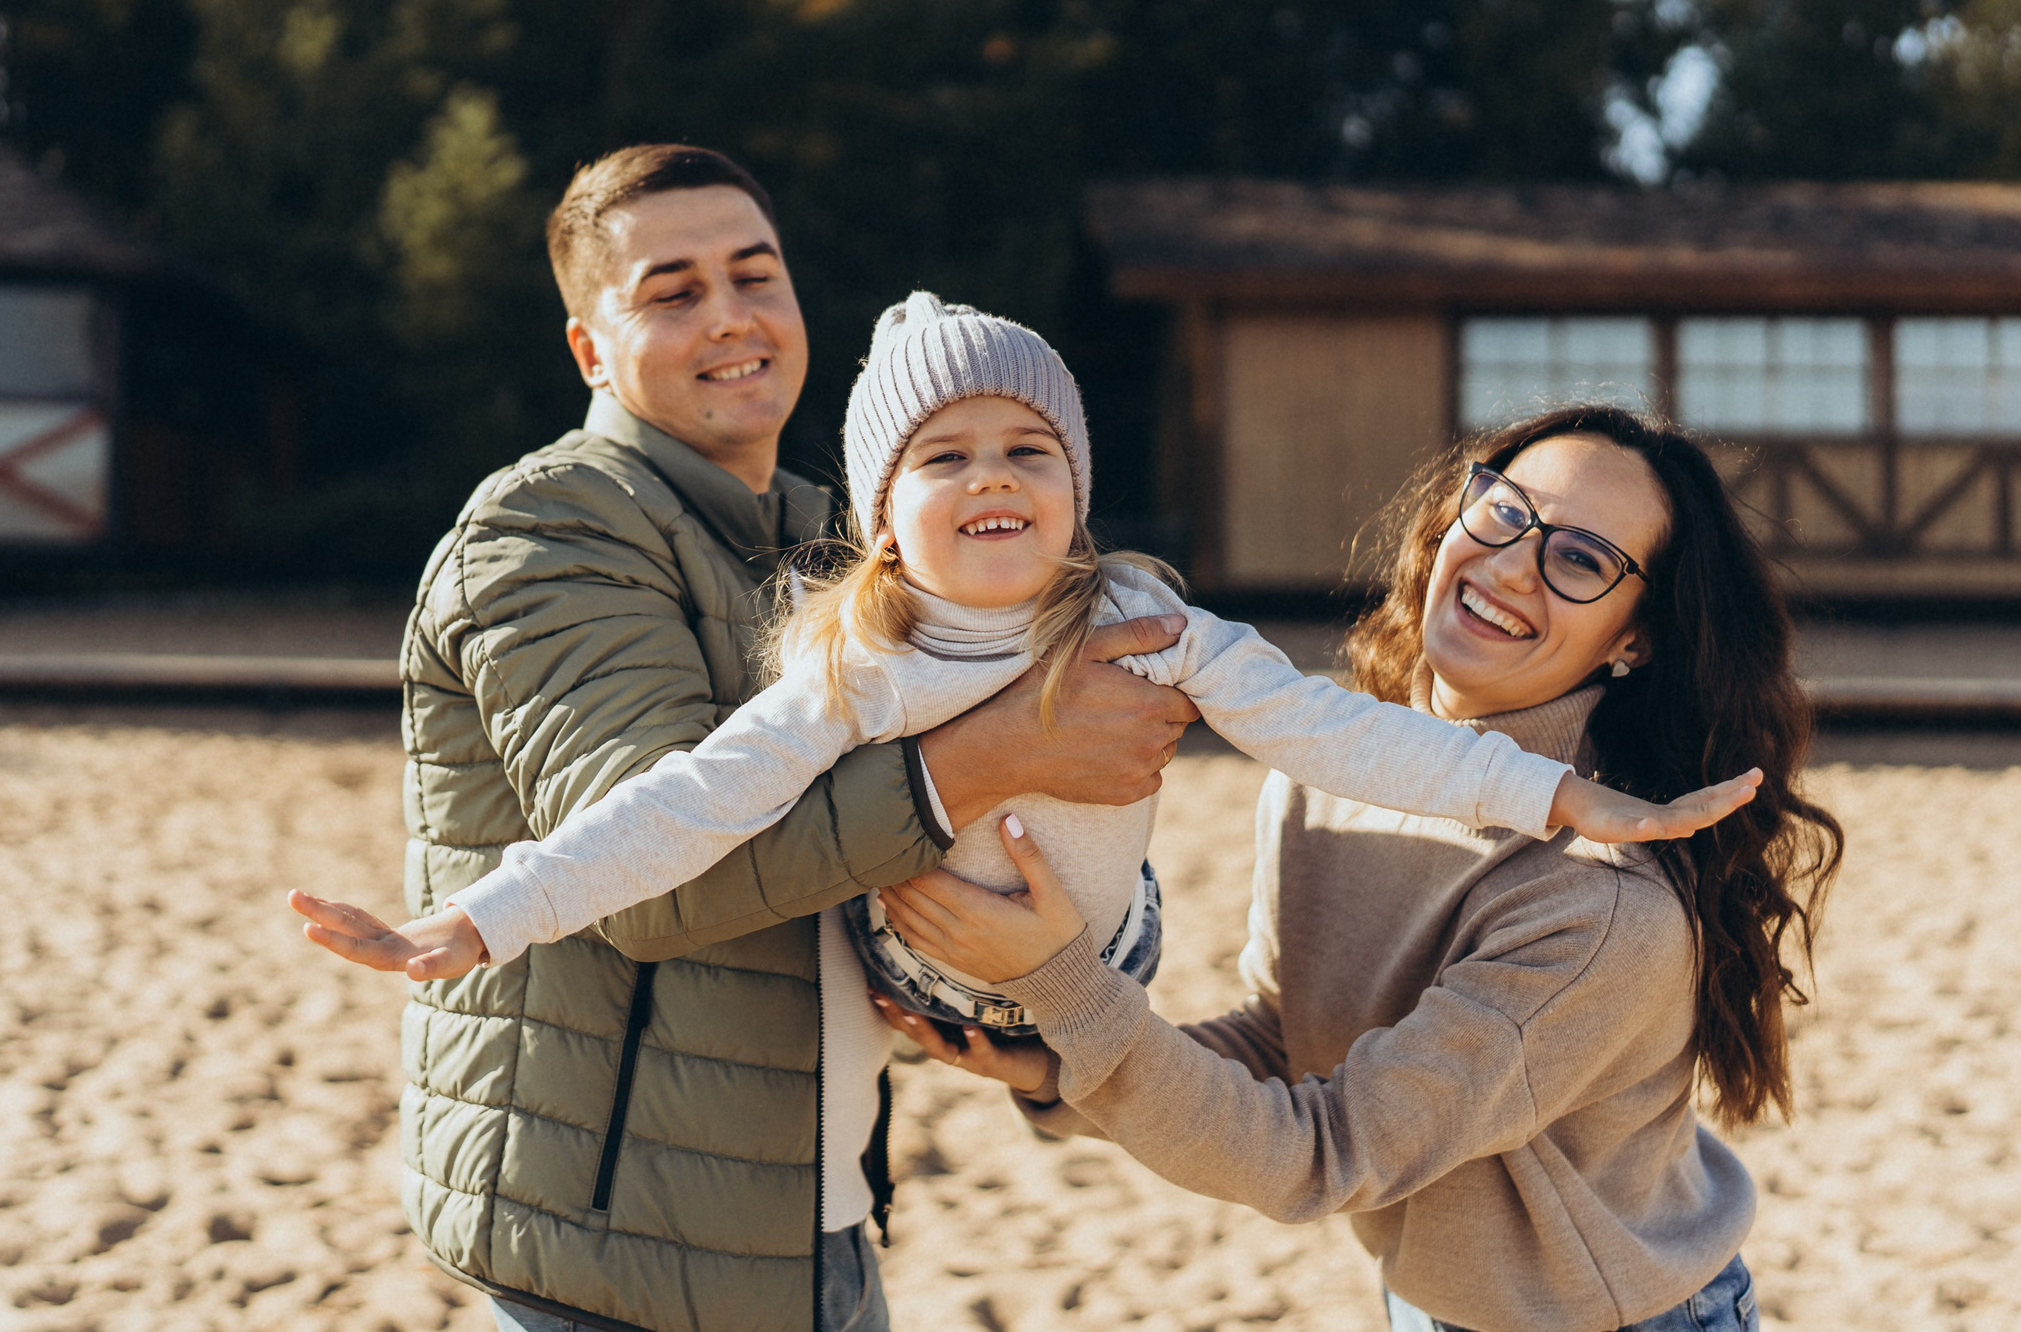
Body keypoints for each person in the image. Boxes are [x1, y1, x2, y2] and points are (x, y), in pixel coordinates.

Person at [302, 295, 1755, 1048]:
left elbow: (1342, 735)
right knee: (786, 818)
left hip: (1104, 959)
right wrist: (482, 918)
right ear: (884, 513)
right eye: (945, 456)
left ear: (1076, 488)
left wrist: (1565, 799)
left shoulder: (1138, 615)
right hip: (922, 970)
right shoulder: (860, 660)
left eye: (1029, 449)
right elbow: (687, 800)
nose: (993, 475)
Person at [286, 146, 1199, 1332]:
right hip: (616, 1247)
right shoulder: (546, 529)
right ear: (590, 349)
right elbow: (651, 887)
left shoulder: (838, 544)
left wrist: (1037, 998)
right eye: (673, 292)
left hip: (812, 1223)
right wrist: (1003, 753)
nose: (730, 316)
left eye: (755, 275)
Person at [873, 404, 1846, 1332]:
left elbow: (1321, 1151)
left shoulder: (1600, 903)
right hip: (1425, 1302)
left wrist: (1072, 991)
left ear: (1635, 636)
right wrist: (1059, 1060)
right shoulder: (1324, 776)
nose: (1512, 565)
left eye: (1580, 559)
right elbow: (1285, 1037)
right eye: (1505, 510)